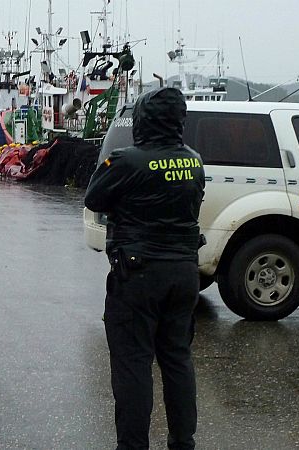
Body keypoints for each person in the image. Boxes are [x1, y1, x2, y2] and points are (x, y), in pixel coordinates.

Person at [84, 87, 205, 450]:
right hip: (184, 272)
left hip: (138, 274)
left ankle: (133, 445)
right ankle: (183, 442)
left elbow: (94, 198)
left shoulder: (127, 161)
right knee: (177, 359)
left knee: (134, 365)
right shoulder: (193, 160)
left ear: (142, 120)